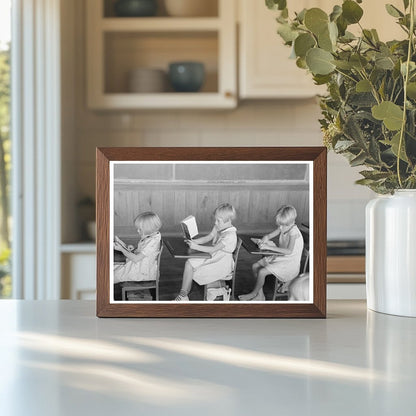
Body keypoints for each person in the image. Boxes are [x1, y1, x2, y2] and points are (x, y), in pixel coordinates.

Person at [239, 205, 303, 301]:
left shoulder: (293, 232)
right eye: (279, 225)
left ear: (291, 222)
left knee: (262, 271)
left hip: (290, 263)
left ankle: (253, 293)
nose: (280, 227)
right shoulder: (284, 226)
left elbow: (289, 251)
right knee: (255, 266)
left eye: (283, 225)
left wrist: (268, 247)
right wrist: (264, 239)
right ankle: (260, 296)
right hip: (282, 258)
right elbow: (269, 235)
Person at [175, 203, 237, 301]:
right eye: (215, 220)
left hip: (222, 262)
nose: (215, 223)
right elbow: (209, 237)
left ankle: (185, 295)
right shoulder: (219, 226)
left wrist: (196, 247)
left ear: (228, 220)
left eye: (218, 221)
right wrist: (194, 242)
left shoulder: (230, 235)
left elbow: (213, 249)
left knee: (195, 270)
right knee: (189, 263)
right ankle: (183, 294)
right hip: (214, 256)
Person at [113, 211, 162, 284]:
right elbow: (144, 252)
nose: (137, 231)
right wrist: (134, 249)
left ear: (149, 228)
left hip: (142, 272)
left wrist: (121, 249)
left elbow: (136, 258)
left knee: (112, 275)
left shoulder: (153, 242)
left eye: (140, 229)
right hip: (140, 266)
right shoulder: (152, 235)